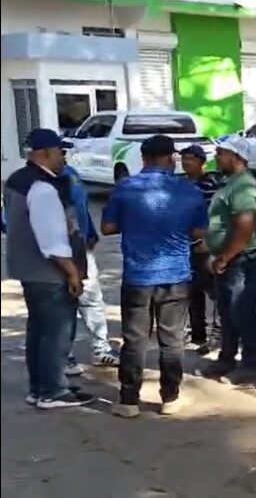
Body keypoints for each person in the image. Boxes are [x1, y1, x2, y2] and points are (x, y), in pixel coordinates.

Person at [101, 135, 208, 418]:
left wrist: (135, 222)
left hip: (138, 275)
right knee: (172, 340)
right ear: (169, 158)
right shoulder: (188, 191)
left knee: (134, 340)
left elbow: (108, 227)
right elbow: (199, 233)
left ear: (144, 158)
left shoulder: (125, 189)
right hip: (175, 275)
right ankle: (170, 398)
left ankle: (128, 401)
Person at [3, 129, 95, 409]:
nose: (62, 158)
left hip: (28, 269)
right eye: (59, 152)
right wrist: (71, 272)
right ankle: (53, 390)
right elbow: (52, 239)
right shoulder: (43, 187)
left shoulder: (17, 180)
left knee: (39, 330)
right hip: (48, 272)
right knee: (56, 331)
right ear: (43, 153)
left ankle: (40, 387)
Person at [201, 135, 256, 383]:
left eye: (220, 153)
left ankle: (250, 365)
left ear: (235, 157)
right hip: (227, 258)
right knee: (226, 311)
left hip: (241, 259)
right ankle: (227, 358)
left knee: (242, 311)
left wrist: (226, 256)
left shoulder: (243, 187)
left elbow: (245, 226)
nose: (216, 158)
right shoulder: (230, 182)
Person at [61, 162, 120, 374]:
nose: (63, 155)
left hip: (81, 248)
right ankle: (63, 355)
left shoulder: (70, 173)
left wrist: (91, 232)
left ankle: (101, 349)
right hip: (58, 253)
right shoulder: (39, 181)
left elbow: (81, 206)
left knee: (92, 300)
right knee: (62, 303)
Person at [180, 144, 224, 354]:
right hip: (185, 246)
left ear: (201, 162)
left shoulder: (212, 183)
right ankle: (198, 333)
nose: (187, 163)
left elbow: (218, 215)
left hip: (207, 246)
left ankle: (219, 334)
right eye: (184, 159)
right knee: (191, 292)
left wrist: (209, 239)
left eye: (191, 159)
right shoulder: (179, 183)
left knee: (215, 292)